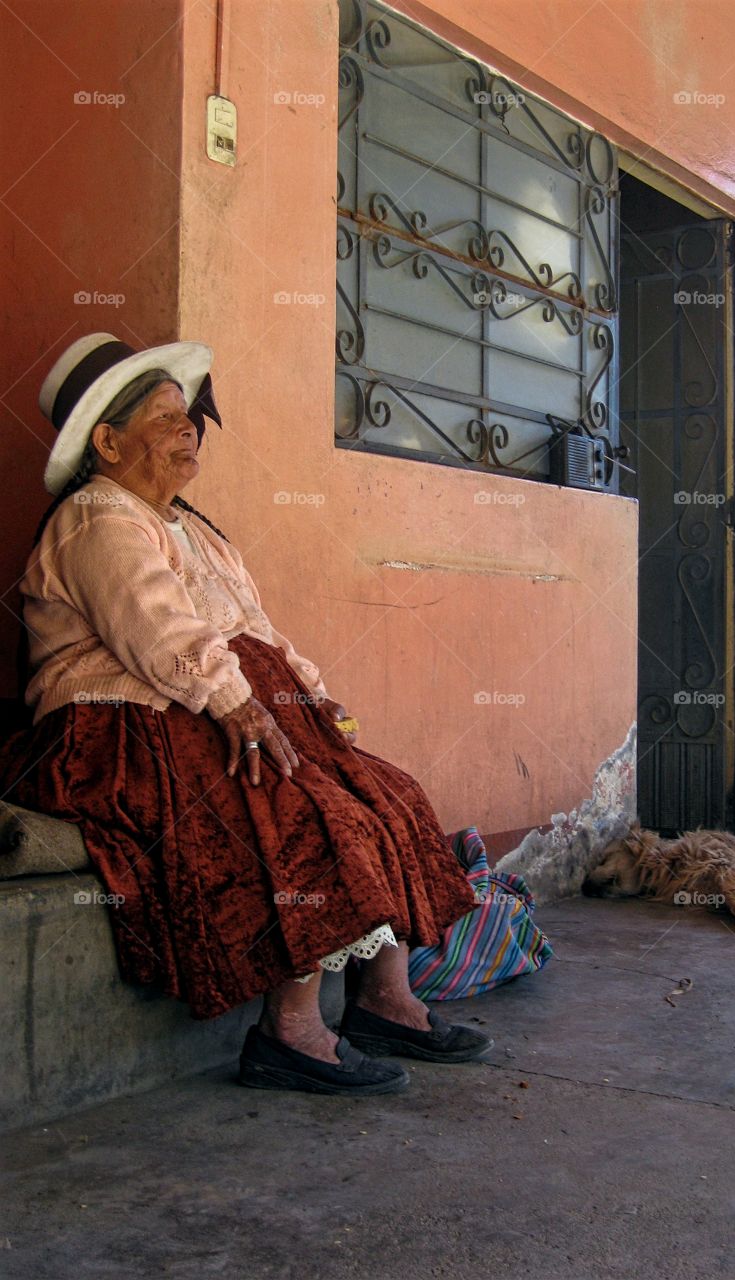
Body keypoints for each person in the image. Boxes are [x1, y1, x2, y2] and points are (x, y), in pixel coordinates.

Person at [2, 332, 491, 1096]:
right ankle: (289, 1034)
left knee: (382, 791)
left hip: (219, 705)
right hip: (126, 725)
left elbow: (258, 629)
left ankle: (386, 1001)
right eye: (165, 418)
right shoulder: (98, 516)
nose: (188, 428)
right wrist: (240, 704)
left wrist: (311, 696)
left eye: (186, 414)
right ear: (107, 440)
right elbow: (157, 628)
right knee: (295, 818)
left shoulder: (196, 529)